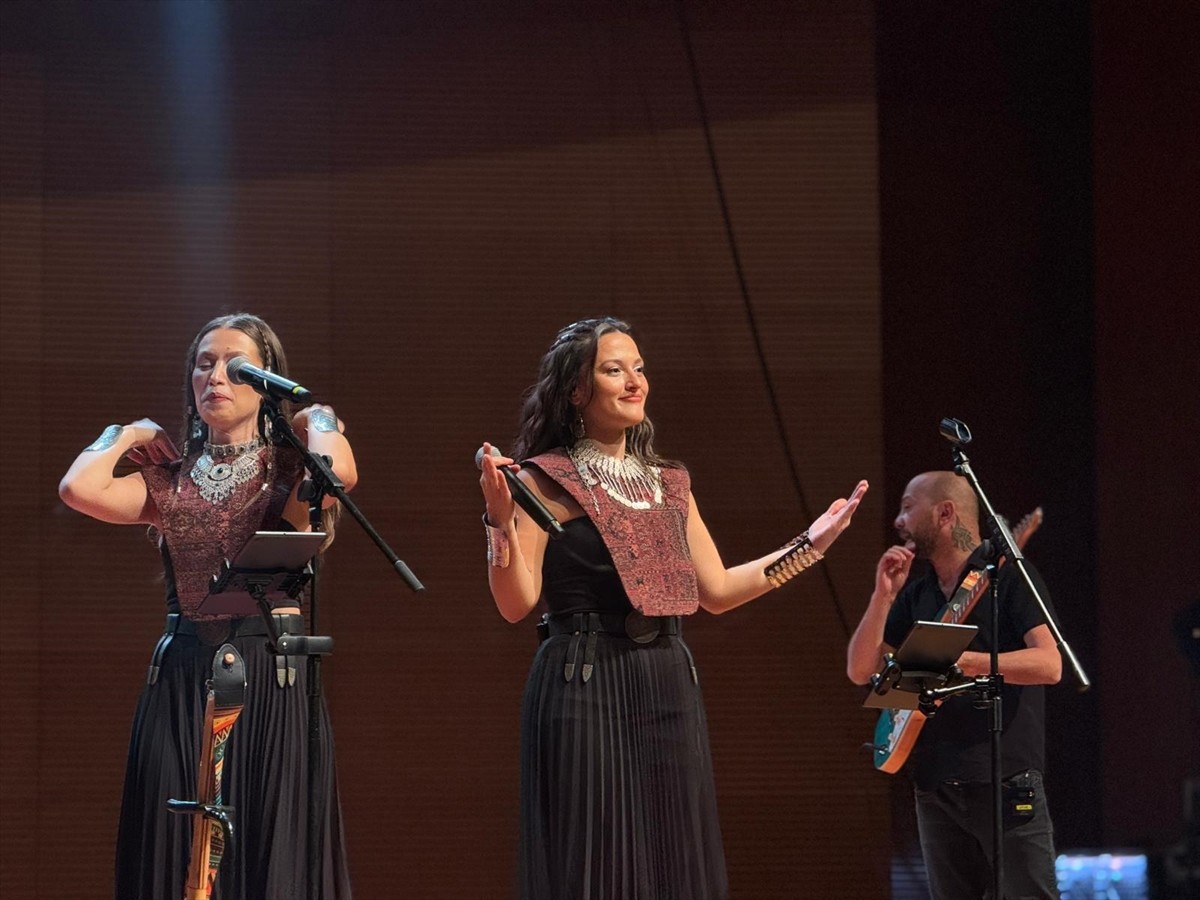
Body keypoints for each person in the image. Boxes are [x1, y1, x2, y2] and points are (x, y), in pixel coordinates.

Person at [478, 316, 869, 899]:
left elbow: (716, 590)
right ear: (576, 391)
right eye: (615, 370)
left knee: (669, 856)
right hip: (583, 682)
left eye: (639, 368)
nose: (636, 381)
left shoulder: (670, 482)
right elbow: (516, 604)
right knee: (595, 858)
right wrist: (496, 517)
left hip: (664, 680)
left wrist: (809, 547)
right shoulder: (543, 480)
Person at [58, 313, 356, 900]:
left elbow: (338, 469)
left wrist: (315, 416)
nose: (216, 376)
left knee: (265, 842)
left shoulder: (289, 468)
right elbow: (79, 489)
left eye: (236, 365)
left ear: (266, 382)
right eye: (204, 364)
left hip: (272, 671)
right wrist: (129, 432)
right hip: (184, 674)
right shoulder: (168, 479)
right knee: (178, 853)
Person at [845, 471, 1062, 900]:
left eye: (909, 506)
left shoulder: (1009, 577)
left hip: (1004, 781)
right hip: (936, 786)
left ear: (945, 513)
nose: (899, 521)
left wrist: (966, 662)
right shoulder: (918, 595)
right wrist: (882, 596)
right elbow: (860, 670)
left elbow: (1049, 664)